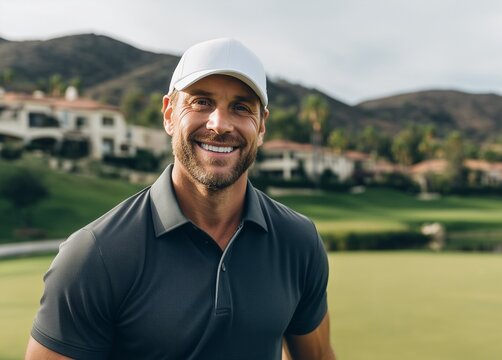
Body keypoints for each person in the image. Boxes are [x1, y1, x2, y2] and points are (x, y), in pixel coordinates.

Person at [25, 38, 335, 360]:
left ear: (261, 127)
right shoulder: (94, 255)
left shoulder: (298, 241)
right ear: (169, 114)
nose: (220, 124)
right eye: (201, 102)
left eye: (241, 107)